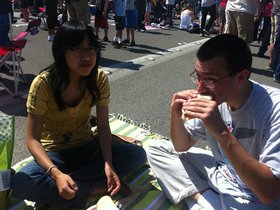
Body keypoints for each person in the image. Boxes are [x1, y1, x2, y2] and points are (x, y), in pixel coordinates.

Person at [11, 21, 147, 209]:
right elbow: (32, 139)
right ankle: (92, 188)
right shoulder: (43, 84)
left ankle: (65, 192)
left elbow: (103, 126)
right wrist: (55, 174)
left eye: (91, 48)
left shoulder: (98, 79)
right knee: (21, 182)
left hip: (87, 147)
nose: (87, 56)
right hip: (55, 153)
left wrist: (108, 164)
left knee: (137, 155)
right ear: (61, 52)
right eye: (77, 48)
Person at [147, 34, 280, 210]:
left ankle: (201, 200)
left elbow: (269, 193)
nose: (199, 88)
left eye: (209, 79)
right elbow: (181, 145)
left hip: (253, 196)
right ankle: (203, 198)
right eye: (198, 76)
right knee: (157, 149)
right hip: (222, 173)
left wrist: (221, 131)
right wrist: (175, 114)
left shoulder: (274, 109)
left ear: (241, 77)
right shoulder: (215, 98)